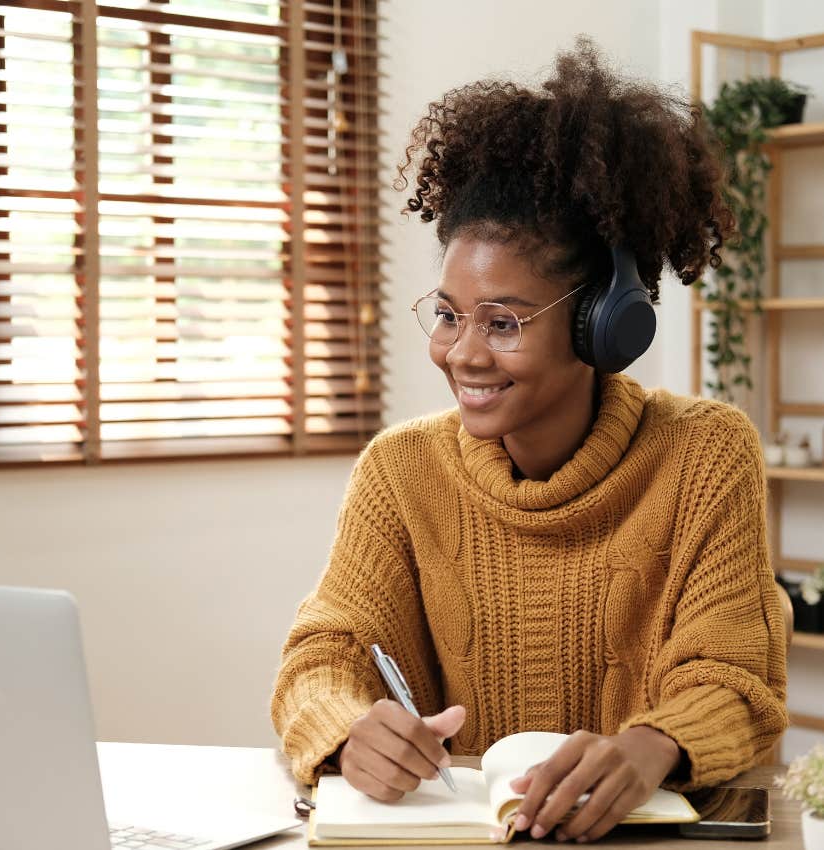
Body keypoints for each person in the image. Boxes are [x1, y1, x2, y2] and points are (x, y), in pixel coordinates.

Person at [271, 39, 787, 843]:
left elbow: (735, 676)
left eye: (504, 323)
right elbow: (324, 653)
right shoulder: (401, 470)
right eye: (447, 314)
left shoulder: (706, 454)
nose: (464, 353)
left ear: (604, 324)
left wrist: (651, 747)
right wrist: (347, 727)